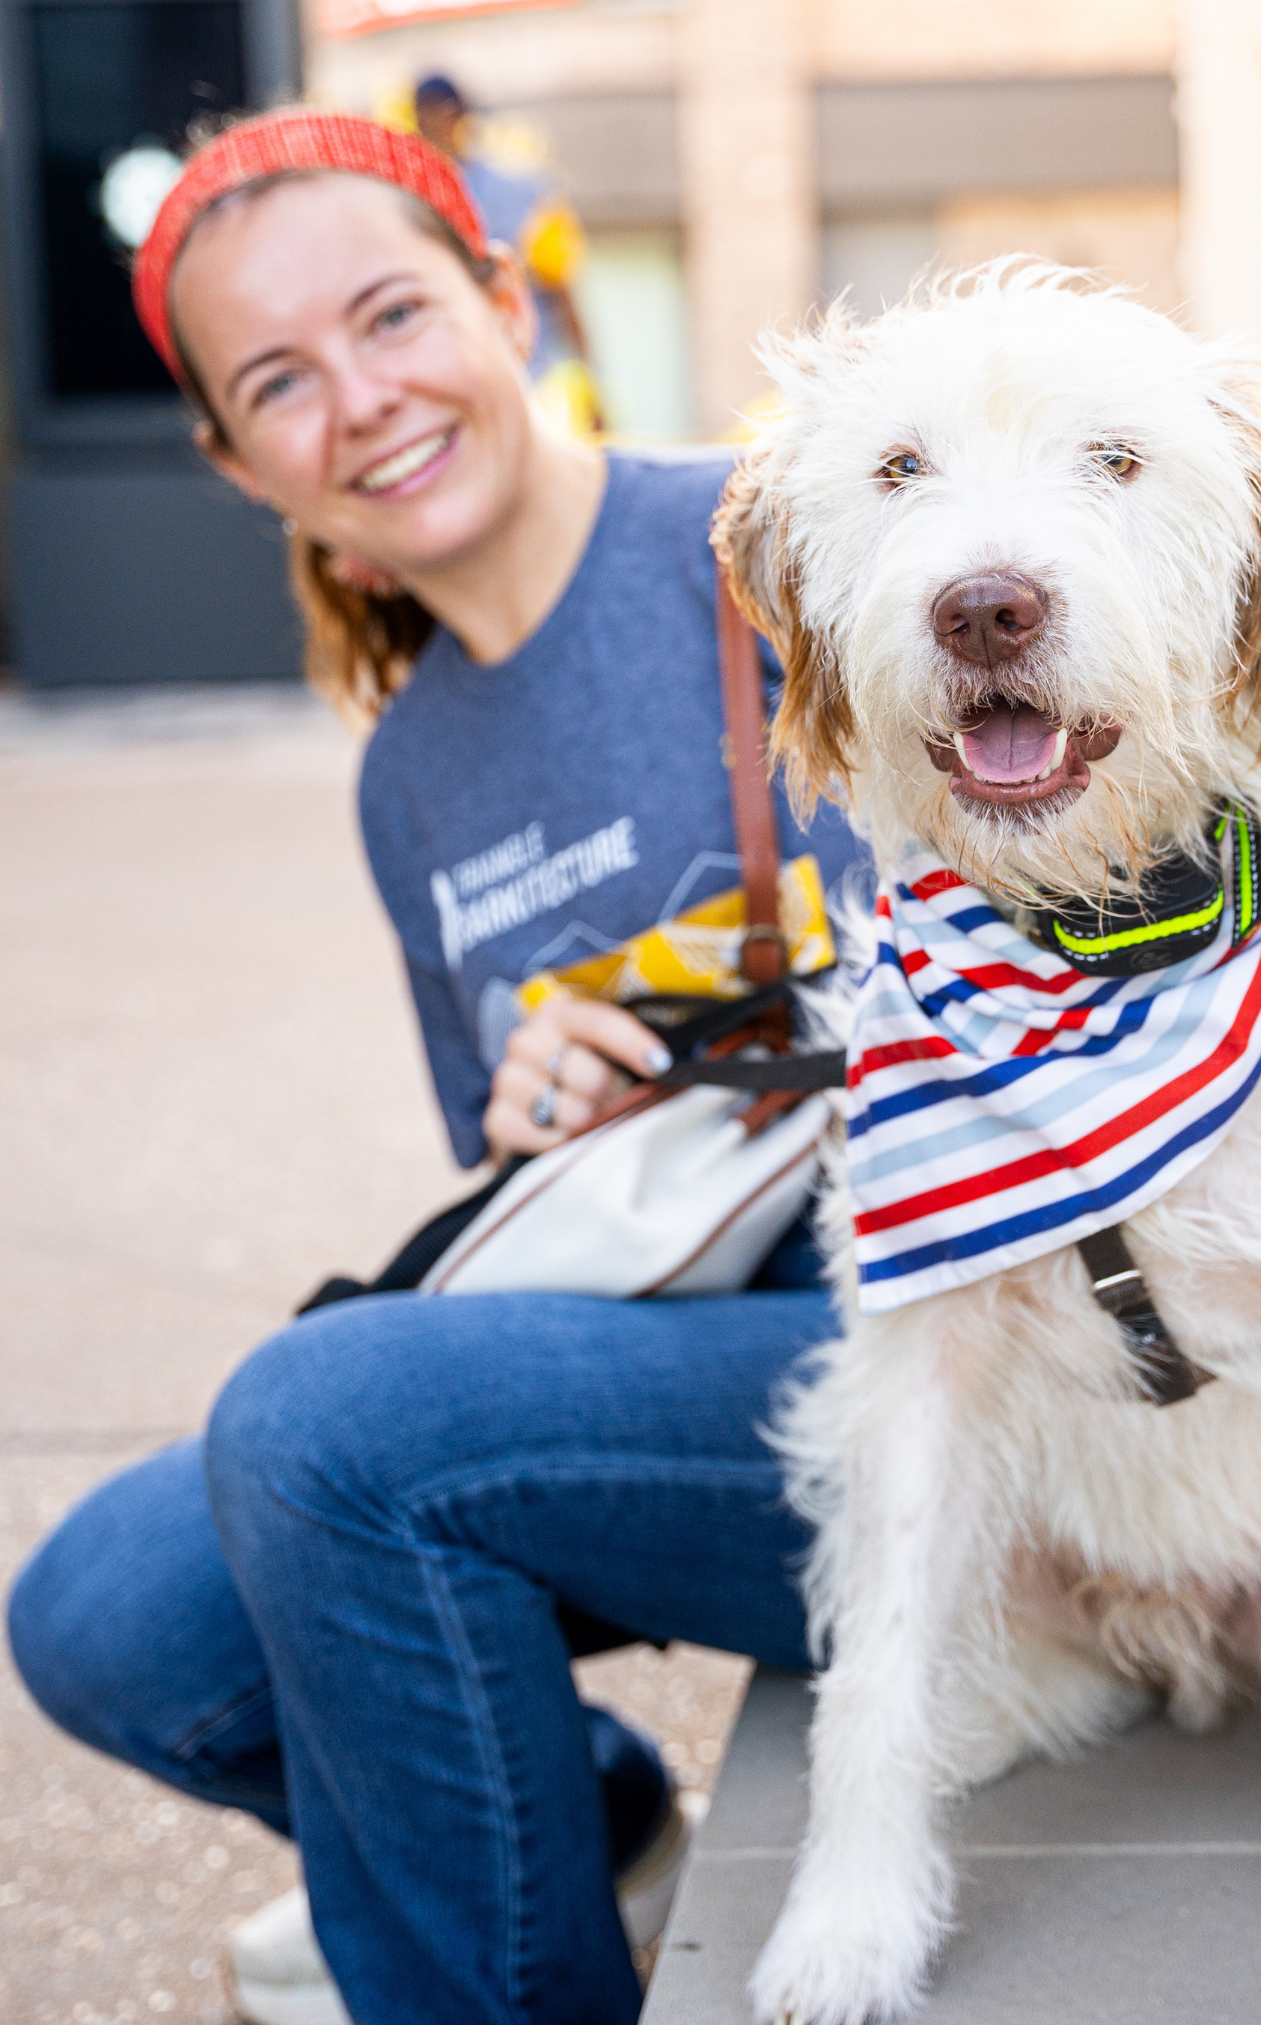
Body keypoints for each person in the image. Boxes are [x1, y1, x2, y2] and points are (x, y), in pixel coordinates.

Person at [5, 108, 858, 2025]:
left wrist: (746, 1008)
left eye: (393, 315)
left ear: (504, 297)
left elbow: (1047, 976)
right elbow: (535, 1234)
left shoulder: (773, 546)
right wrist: (542, 1100)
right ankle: (580, 1819)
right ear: (237, 464)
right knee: (105, 1616)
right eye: (281, 383)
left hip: (943, 1344)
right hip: (692, 1362)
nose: (362, 403)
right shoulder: (414, 778)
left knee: (323, 1419)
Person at [412, 74, 604, 439]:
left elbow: (561, 293)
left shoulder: (526, 196)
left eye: (437, 115)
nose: (431, 127)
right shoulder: (410, 200)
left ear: (458, 118)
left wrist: (589, 384)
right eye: (424, 117)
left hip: (530, 383)